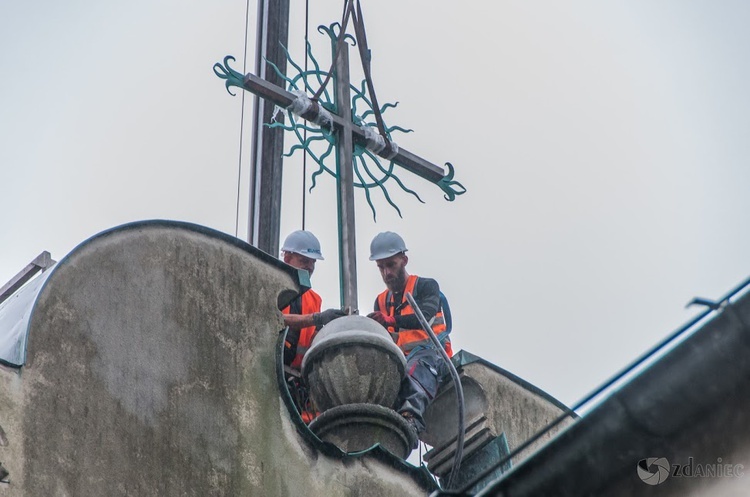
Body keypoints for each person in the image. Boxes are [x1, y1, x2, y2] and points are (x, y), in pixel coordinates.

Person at [366, 231, 453, 440]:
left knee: (419, 367)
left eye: (391, 265)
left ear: (404, 260)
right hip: (404, 364)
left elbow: (424, 316)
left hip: (434, 357)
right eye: (381, 267)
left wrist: (390, 321)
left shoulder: (425, 286)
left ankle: (411, 418)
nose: (387, 273)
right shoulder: (381, 302)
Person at [280, 230, 345, 371]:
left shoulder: (314, 300)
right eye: (304, 261)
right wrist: (316, 318)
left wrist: (336, 329)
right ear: (287, 258)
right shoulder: (272, 287)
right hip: (269, 366)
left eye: (313, 262)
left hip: (295, 377)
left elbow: (314, 339)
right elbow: (273, 318)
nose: (309, 267)